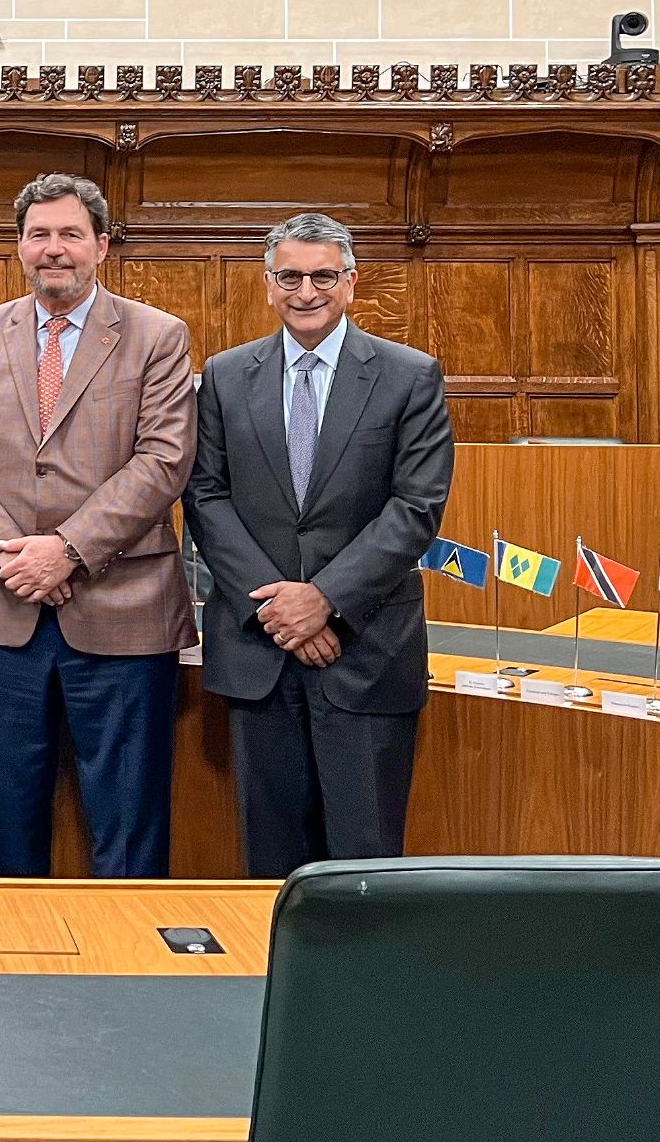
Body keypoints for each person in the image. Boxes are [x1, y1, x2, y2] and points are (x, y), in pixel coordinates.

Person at [0, 173, 196, 879]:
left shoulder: (156, 335)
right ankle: (14, 947)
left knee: (128, 825)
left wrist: (68, 550)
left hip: (124, 612)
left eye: (71, 234)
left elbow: (164, 459)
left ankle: (126, 950)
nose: (55, 249)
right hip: (4, 607)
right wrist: (9, 556)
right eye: (39, 234)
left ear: (101, 245)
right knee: (5, 821)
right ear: (20, 245)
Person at [187, 212, 454, 879]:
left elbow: (415, 508)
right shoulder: (223, 376)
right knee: (271, 869)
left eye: (324, 276)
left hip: (366, 654)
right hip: (260, 652)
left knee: (365, 870)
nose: (306, 291)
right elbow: (205, 497)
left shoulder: (410, 375)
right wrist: (281, 610)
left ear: (351, 282)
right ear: (268, 284)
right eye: (290, 277)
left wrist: (324, 600)